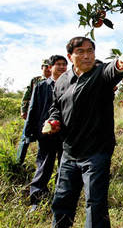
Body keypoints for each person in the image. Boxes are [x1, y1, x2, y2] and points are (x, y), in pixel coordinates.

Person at [45, 36, 123, 228]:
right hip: (69, 153)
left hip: (96, 152)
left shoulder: (100, 73)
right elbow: (55, 107)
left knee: (95, 205)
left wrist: (120, 64)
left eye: (90, 51)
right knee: (62, 202)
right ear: (70, 56)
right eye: (81, 52)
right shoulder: (62, 81)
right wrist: (53, 121)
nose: (87, 56)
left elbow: (113, 70)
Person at [24, 55, 68, 211]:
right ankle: (36, 200)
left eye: (64, 64)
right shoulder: (42, 86)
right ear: (50, 68)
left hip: (66, 134)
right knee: (43, 166)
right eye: (58, 64)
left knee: (64, 168)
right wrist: (29, 132)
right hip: (46, 134)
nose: (62, 67)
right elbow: (33, 109)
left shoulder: (71, 85)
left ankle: (59, 198)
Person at [16, 59, 52, 164]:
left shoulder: (56, 80)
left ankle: (41, 162)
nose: (48, 69)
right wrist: (24, 110)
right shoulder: (35, 80)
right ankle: (19, 161)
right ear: (42, 67)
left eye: (49, 66)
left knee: (44, 140)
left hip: (45, 115)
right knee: (25, 137)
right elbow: (26, 96)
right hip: (33, 113)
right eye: (46, 67)